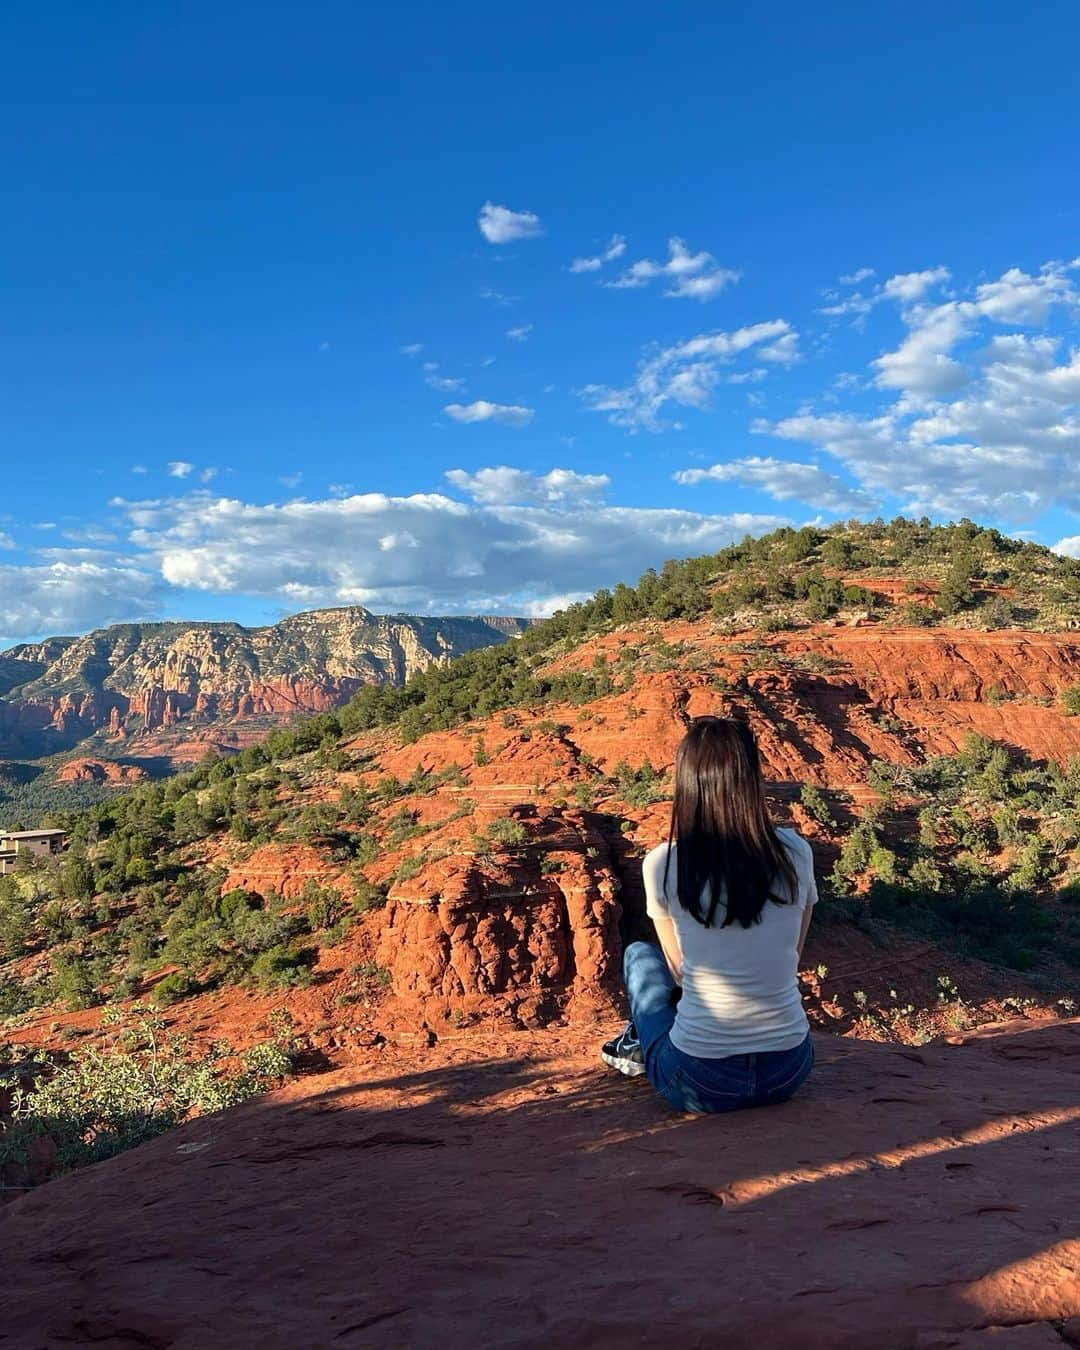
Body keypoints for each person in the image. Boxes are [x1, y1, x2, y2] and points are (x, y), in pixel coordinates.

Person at [602, 714, 817, 1113]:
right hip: (789, 1070)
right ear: (752, 780)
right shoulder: (795, 854)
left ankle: (639, 1042)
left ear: (687, 784)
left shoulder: (663, 864)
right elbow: (793, 954)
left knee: (639, 956)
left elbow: (681, 971)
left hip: (700, 1081)